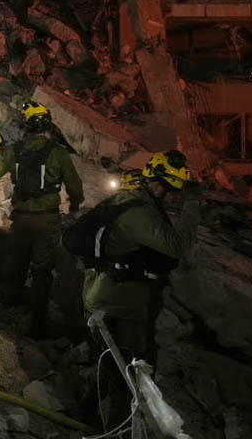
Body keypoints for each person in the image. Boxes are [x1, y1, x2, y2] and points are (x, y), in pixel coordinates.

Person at [82, 150, 201, 430]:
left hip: (118, 296)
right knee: (129, 374)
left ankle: (91, 410)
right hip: (120, 301)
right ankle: (115, 431)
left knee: (114, 362)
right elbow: (177, 246)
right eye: (172, 191)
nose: (175, 198)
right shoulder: (138, 211)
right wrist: (193, 204)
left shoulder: (138, 204)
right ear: (158, 185)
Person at [0, 102, 83, 338]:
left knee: (18, 261)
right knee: (42, 270)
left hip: (22, 218)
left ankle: (8, 306)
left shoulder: (13, 150)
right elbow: (75, 187)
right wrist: (75, 206)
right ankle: (38, 323)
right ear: (47, 125)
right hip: (47, 220)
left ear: (26, 126)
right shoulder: (58, 152)